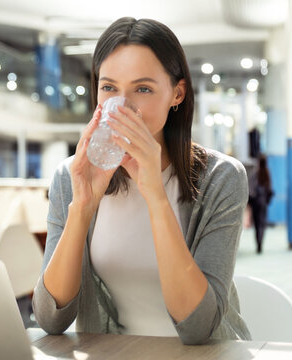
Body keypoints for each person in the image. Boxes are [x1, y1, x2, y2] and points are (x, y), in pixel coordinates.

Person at [32, 17, 251, 345]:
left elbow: (198, 327)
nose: (123, 106)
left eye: (143, 88)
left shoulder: (221, 178)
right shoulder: (71, 176)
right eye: (109, 88)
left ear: (177, 93)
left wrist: (156, 195)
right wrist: (82, 207)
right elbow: (51, 318)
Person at [248, 154, 273, 254]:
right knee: (262, 223)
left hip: (255, 201)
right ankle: (260, 242)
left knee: (257, 223)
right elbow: (269, 188)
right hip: (263, 201)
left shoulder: (255, 173)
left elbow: (251, 188)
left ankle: (258, 241)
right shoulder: (267, 173)